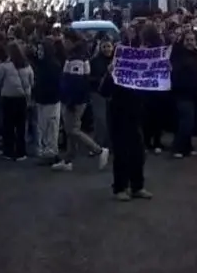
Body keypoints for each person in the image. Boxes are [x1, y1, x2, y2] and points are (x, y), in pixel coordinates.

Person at [111, 25, 158, 201]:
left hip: (137, 111)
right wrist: (110, 73)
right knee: (122, 152)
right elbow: (105, 90)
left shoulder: (144, 63)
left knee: (138, 152)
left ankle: (137, 186)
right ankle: (120, 187)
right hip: (119, 111)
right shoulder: (119, 61)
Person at [59, 41, 108, 172]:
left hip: (75, 100)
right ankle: (68, 160)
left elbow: (76, 83)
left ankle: (98, 150)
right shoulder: (81, 60)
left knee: (72, 130)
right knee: (71, 130)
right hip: (77, 99)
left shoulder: (76, 61)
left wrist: (71, 101)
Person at [0, 42, 33, 162]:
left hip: (8, 98)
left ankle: (9, 151)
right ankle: (21, 152)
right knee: (21, 126)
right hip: (23, 98)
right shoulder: (27, 66)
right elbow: (31, 82)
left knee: (8, 126)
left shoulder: (4, 66)